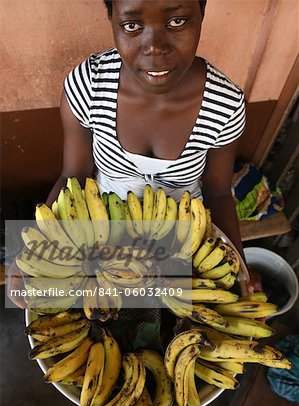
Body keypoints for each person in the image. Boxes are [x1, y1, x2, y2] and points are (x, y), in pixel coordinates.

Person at [7, 0, 260, 308]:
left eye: (177, 22)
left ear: (202, 13)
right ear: (111, 20)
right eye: (131, 26)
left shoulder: (225, 105)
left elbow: (218, 194)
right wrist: (34, 253)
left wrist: (240, 270)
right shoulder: (88, 86)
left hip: (182, 237)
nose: (155, 47)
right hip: (101, 231)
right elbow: (72, 177)